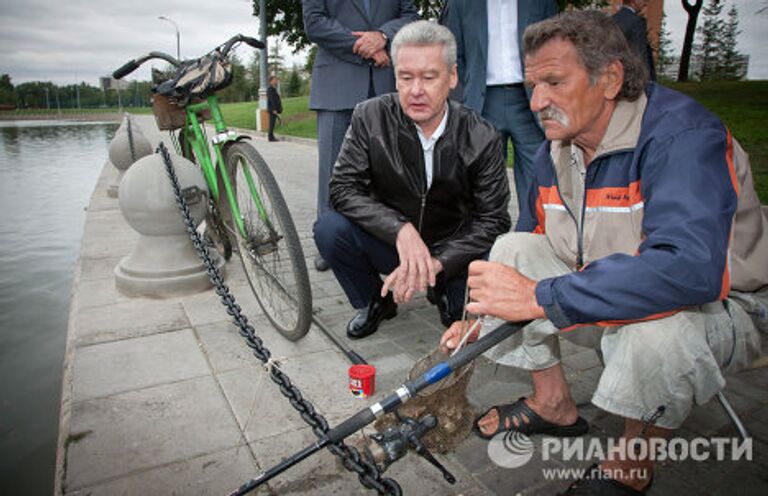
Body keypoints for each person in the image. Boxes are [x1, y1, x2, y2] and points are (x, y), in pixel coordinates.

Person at [440, 10, 767, 494]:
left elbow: (689, 269)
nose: (536, 102)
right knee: (509, 249)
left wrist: (541, 297)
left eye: (553, 82)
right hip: (602, 290)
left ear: (610, 78)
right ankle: (554, 404)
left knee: (655, 327)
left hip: (726, 309)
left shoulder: (682, 137)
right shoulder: (552, 150)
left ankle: (632, 462)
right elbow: (529, 243)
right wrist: (482, 317)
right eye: (533, 85)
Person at [314, 20, 511, 340]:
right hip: (392, 244)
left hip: (454, 250)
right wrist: (400, 230)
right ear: (395, 77)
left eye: (429, 77)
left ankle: (446, 288)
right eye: (406, 78)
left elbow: (494, 219)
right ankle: (377, 301)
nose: (416, 90)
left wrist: (439, 261)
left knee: (494, 262)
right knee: (329, 229)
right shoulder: (369, 116)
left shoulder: (480, 134)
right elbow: (341, 188)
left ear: (452, 77)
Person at [302, 0, 419, 272]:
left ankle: (388, 241)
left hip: (387, 82)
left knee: (389, 171)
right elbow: (315, 23)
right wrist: (366, 48)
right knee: (334, 171)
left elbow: (410, 15)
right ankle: (330, 245)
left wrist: (383, 37)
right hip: (336, 85)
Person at [445, 0, 558, 212]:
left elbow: (554, 48)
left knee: (538, 175)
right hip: (484, 101)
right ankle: (486, 239)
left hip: (530, 100)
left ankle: (532, 237)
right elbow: (455, 53)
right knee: (484, 180)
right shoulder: (462, 4)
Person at [613, 0, 657, 81]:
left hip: (614, 75)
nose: (645, 4)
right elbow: (639, 53)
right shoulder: (637, 22)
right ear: (635, 1)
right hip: (633, 79)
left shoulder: (610, 21)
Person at [266, 75, 282, 142]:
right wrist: (274, 109)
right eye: (275, 80)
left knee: (272, 124)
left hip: (273, 109)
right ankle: (271, 138)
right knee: (271, 124)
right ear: (271, 81)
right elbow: (271, 100)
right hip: (272, 110)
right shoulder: (270, 89)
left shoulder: (273, 88)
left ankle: (271, 137)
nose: (276, 81)